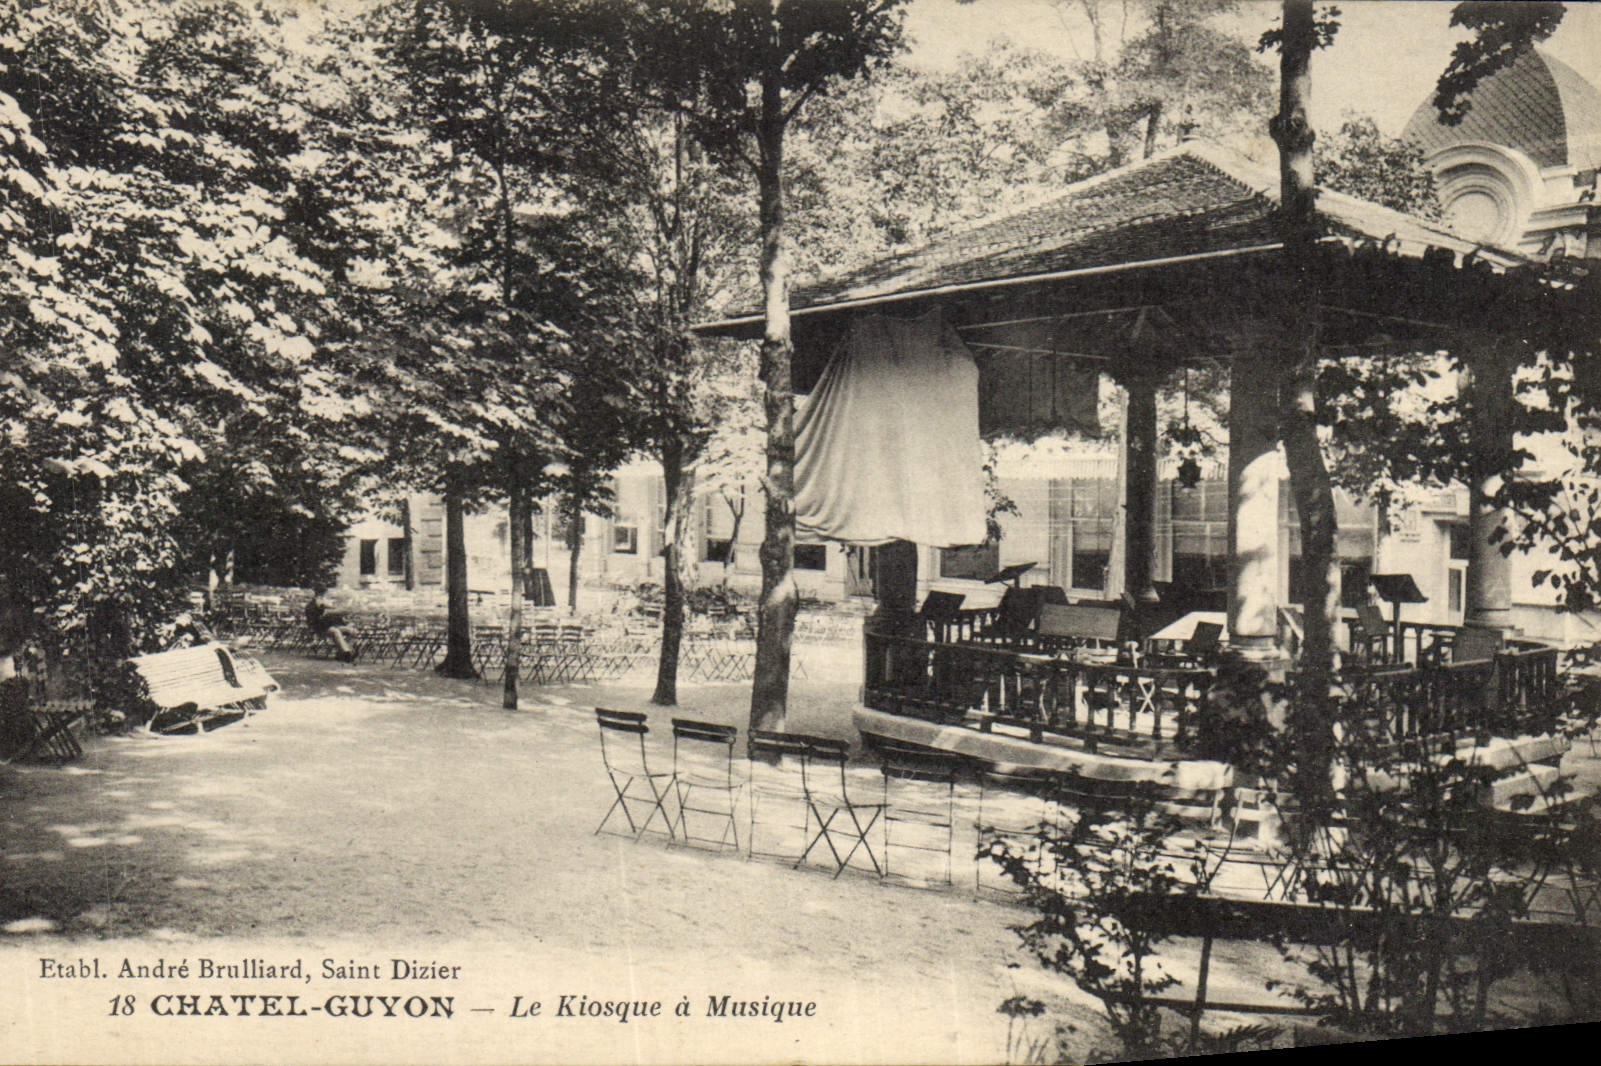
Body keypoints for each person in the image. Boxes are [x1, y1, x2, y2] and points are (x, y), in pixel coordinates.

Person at [306, 590, 355, 662]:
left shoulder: (324, 605)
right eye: (323, 597)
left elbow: (336, 614)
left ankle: (342, 651)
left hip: (330, 626)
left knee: (351, 630)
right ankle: (346, 652)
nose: (324, 599)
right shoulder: (312, 606)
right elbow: (315, 621)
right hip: (320, 629)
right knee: (335, 631)